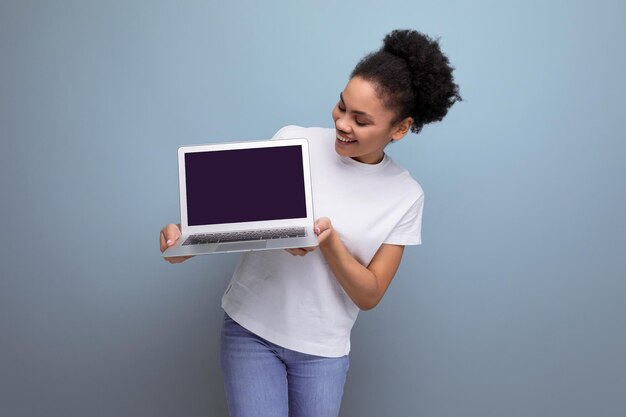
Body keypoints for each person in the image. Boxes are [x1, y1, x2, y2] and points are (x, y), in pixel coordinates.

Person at [160, 29, 460, 417]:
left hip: (322, 352)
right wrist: (179, 243)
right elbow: (232, 221)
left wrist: (330, 243)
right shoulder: (293, 141)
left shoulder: (405, 196)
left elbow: (369, 294)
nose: (342, 123)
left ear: (399, 128)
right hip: (251, 330)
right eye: (340, 106)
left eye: (361, 120)